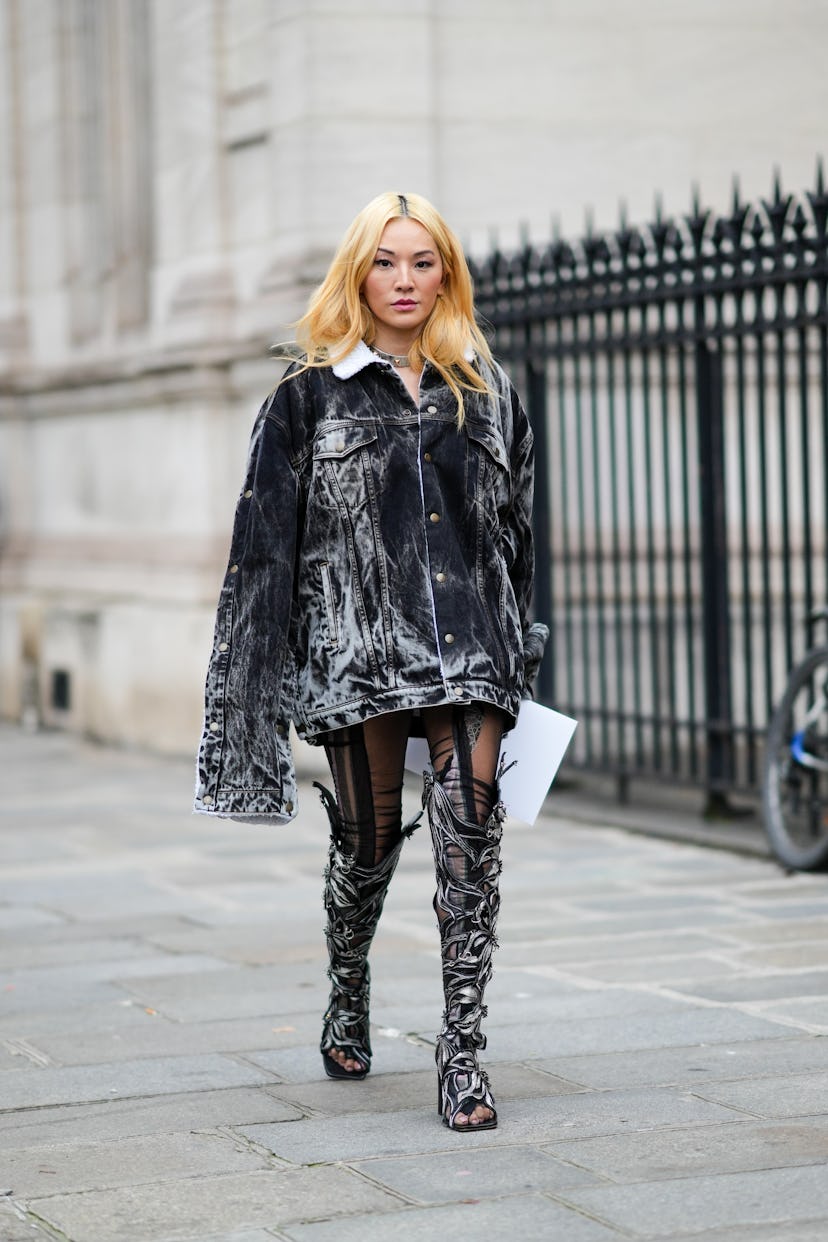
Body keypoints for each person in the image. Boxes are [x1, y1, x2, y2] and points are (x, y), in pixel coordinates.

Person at [194, 191, 547, 1131]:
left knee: (471, 836)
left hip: (469, 649)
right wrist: (252, 703)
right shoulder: (305, 396)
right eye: (386, 261)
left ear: (447, 273)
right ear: (358, 271)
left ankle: (461, 1053)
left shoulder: (488, 390)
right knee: (367, 841)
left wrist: (524, 657)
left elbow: (515, 543)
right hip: (358, 655)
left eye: (422, 262)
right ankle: (348, 985)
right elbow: (262, 552)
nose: (404, 280)